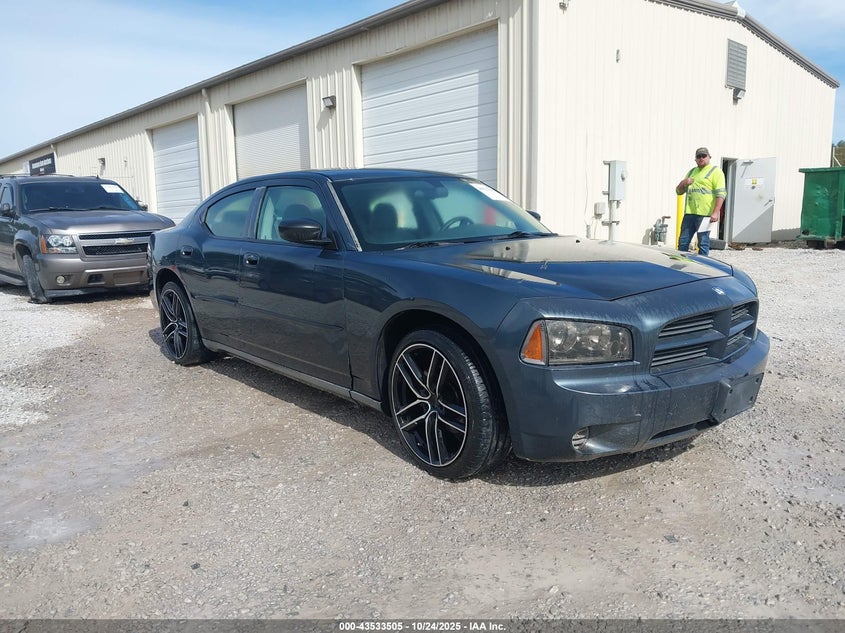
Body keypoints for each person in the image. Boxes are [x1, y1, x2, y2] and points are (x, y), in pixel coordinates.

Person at [675, 146, 726, 255]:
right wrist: (683, 183)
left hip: (705, 214)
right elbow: (678, 191)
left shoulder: (716, 171)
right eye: (699, 156)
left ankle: (703, 268)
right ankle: (681, 266)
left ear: (709, 157)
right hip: (689, 213)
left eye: (704, 156)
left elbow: (721, 193)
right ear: (695, 159)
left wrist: (716, 212)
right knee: (683, 242)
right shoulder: (691, 172)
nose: (701, 158)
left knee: (703, 242)